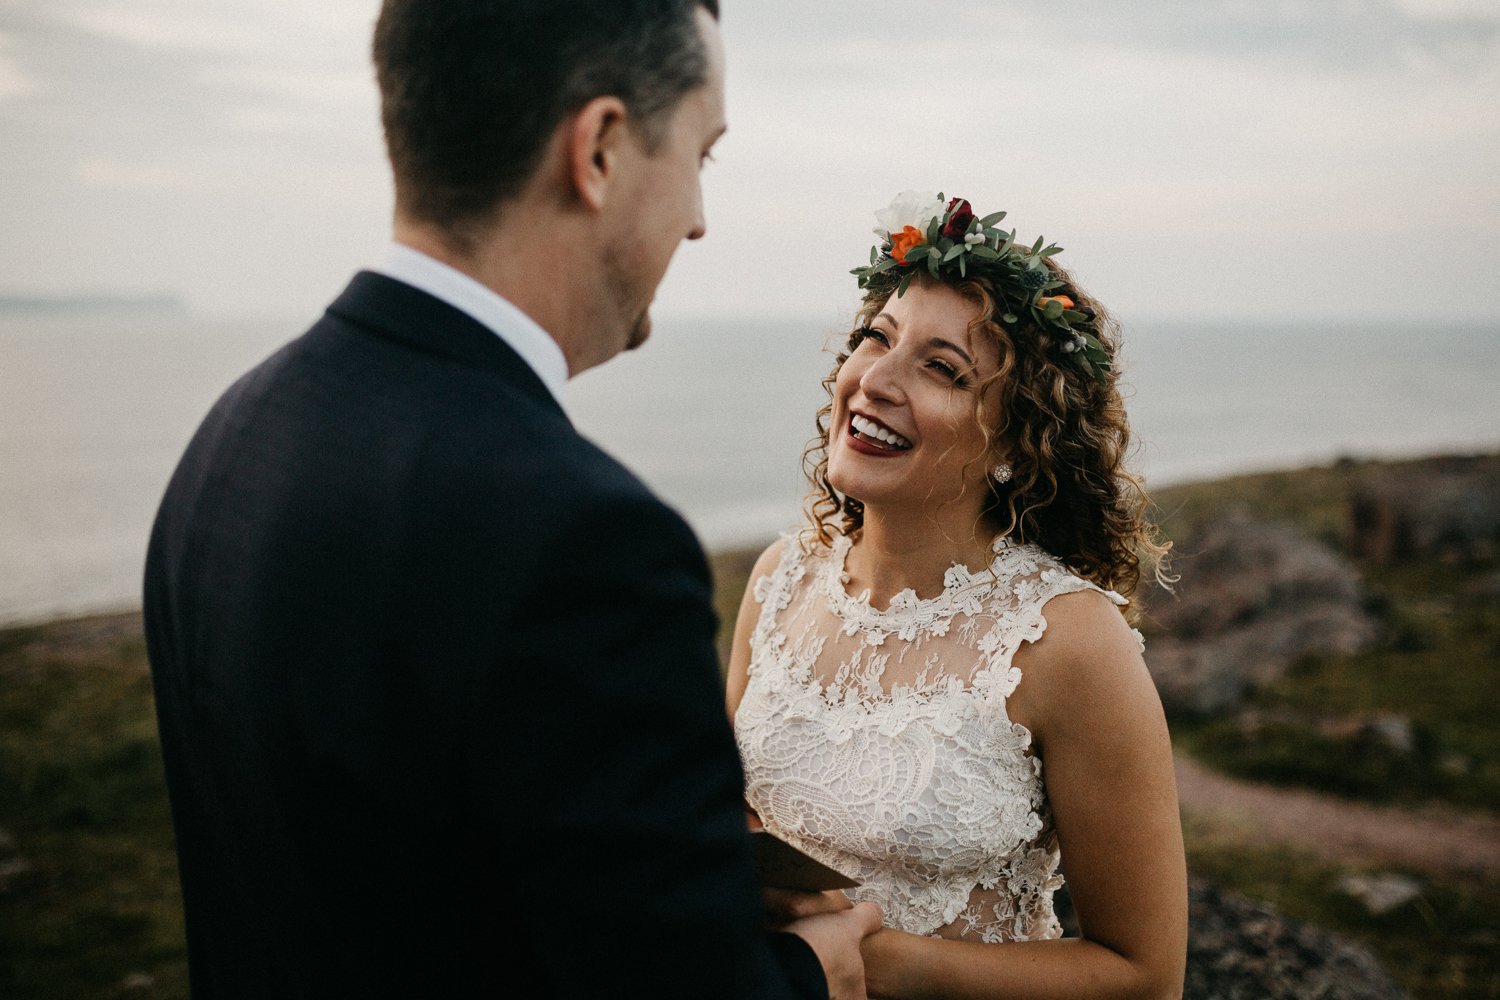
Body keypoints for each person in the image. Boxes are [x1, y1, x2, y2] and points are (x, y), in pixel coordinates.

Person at [142, 2, 880, 996]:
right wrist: (806, 972)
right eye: (701, 156)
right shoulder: (587, 545)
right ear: (602, 150)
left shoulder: (233, 437)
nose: (701, 219)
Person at [726, 191, 1189, 998]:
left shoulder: (1067, 642)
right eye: (877, 338)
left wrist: (868, 960)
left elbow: (1145, 976)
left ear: (1016, 440)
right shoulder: (779, 580)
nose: (874, 379)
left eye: (941, 368)